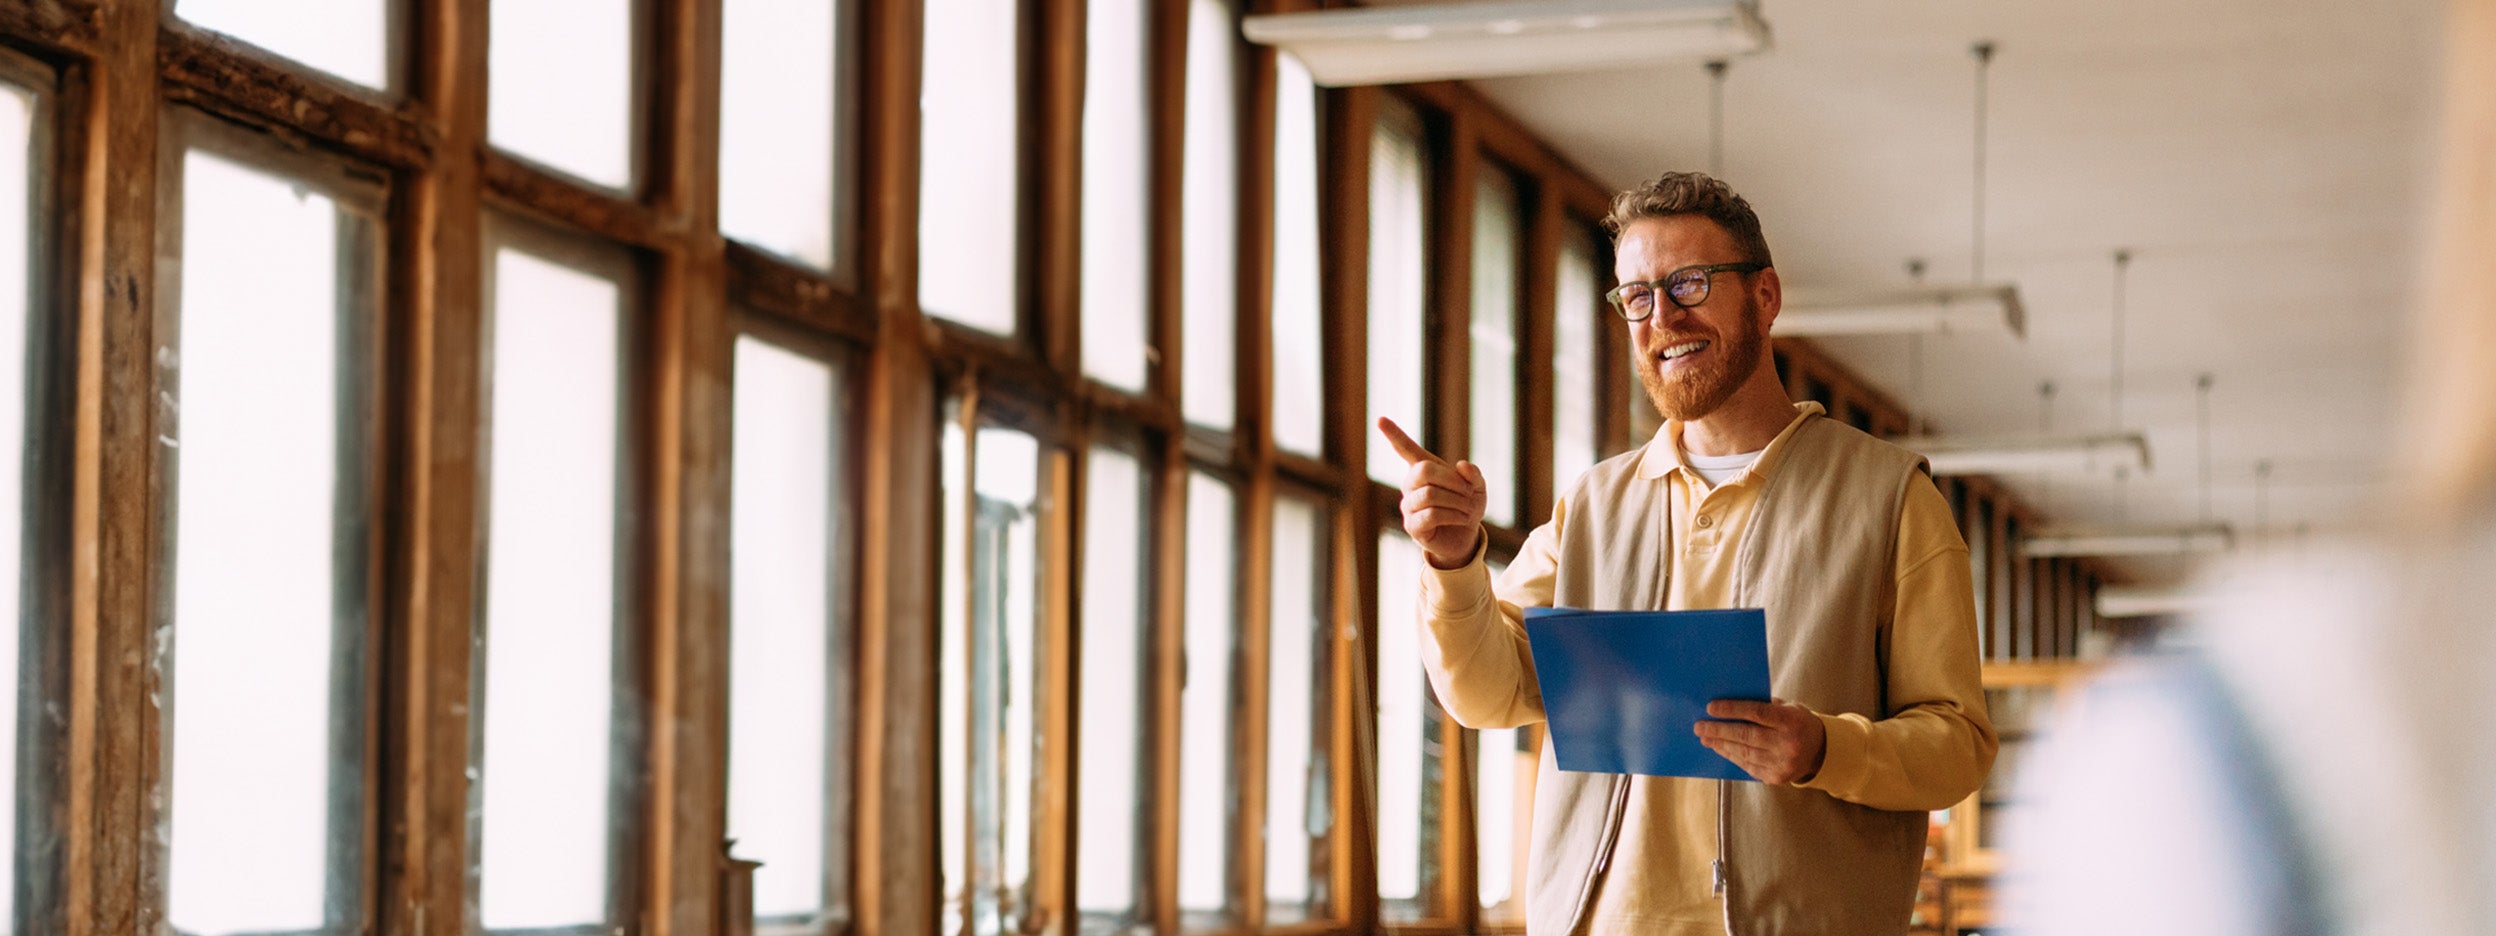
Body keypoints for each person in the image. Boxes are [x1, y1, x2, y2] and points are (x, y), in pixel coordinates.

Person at [1380, 171, 1997, 935]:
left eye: (1690, 284)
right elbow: (1484, 693)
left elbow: (1958, 744)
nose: (1661, 317)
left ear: (1764, 296)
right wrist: (1455, 560)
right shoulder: (1593, 506)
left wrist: (1825, 749)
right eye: (1636, 296)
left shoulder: (1892, 500)